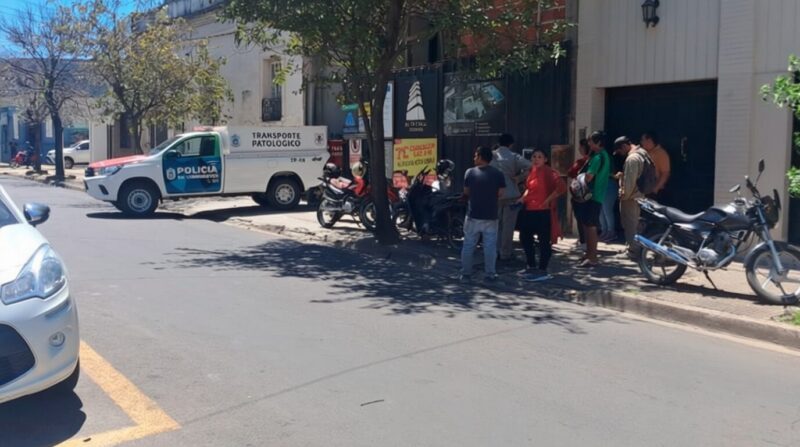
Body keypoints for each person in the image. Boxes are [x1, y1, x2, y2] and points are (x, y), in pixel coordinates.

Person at [517, 149, 566, 281]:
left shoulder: (549, 172)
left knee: (544, 241)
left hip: (543, 212)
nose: (536, 159)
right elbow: (529, 188)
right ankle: (531, 266)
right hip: (529, 210)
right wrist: (522, 198)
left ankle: (542, 269)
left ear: (545, 159)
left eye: (539, 157)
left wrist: (547, 201)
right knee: (525, 238)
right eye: (534, 157)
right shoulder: (531, 172)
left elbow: (561, 187)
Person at [460, 146, 506, 283]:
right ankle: (490, 274)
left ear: (480, 156)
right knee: (490, 246)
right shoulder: (498, 174)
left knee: (468, 245)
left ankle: (466, 274)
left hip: (473, 214)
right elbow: (501, 193)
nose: (474, 158)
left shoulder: (470, 173)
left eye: (475, 155)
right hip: (491, 215)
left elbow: (466, 192)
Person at [491, 133, 531, 262]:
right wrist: (519, 178)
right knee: (508, 226)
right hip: (511, 194)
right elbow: (530, 166)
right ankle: (505, 253)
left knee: (495, 225)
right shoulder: (514, 157)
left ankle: (494, 250)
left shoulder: (491, 155)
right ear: (511, 144)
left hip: (494, 195)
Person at [577, 131, 611, 267]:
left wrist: (581, 177)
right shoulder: (605, 156)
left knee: (590, 226)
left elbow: (589, 177)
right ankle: (589, 254)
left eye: (591, 141)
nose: (589, 144)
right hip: (597, 195)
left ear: (598, 143)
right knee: (588, 224)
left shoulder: (597, 158)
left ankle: (592, 256)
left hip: (592, 195)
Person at [614, 136, 649, 258]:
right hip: (640, 195)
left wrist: (623, 195)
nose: (620, 154)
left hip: (631, 197)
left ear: (624, 146)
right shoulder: (642, 153)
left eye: (620, 151)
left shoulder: (632, 159)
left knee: (630, 225)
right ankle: (633, 247)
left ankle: (633, 251)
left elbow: (630, 183)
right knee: (635, 223)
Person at [567, 139, 591, 249]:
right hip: (589, 193)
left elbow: (571, 172)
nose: (579, 149)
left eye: (580, 147)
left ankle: (583, 241)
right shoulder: (593, 160)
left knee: (581, 218)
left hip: (580, 193)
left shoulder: (583, 161)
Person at [641, 130, 670, 200]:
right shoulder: (643, 152)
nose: (642, 142)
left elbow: (665, 173)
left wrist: (656, 188)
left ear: (650, 141)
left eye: (644, 140)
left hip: (655, 192)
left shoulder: (661, 154)